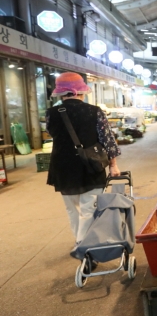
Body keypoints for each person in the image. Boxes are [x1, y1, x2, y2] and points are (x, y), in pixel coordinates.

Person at [46, 72, 121, 246]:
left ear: (61, 93)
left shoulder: (51, 113)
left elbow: (51, 132)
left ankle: (80, 241)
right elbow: (107, 140)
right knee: (89, 208)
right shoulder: (94, 111)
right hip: (90, 166)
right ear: (81, 91)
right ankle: (84, 243)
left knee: (72, 209)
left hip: (62, 167)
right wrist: (113, 165)